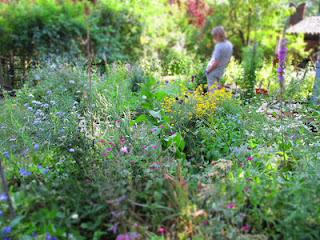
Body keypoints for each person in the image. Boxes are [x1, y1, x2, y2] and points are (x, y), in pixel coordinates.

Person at [205, 26, 233, 93]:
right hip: (221, 71)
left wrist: (208, 71)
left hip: (213, 72)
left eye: (214, 36)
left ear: (217, 35)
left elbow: (216, 62)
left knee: (212, 91)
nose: (214, 38)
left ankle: (213, 103)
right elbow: (228, 60)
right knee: (218, 91)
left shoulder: (219, 46)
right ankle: (218, 103)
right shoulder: (229, 44)